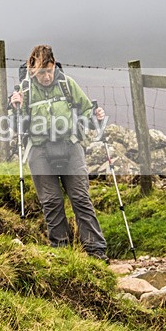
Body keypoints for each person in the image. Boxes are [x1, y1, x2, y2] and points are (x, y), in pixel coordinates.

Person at [10, 44, 109, 262]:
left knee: (80, 198)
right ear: (32, 69)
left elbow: (86, 110)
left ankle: (96, 251)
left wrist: (96, 116)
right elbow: (14, 126)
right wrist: (15, 107)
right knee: (51, 201)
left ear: (54, 66)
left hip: (71, 145)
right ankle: (62, 252)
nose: (46, 76)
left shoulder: (67, 84)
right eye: (41, 72)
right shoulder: (24, 90)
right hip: (39, 149)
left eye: (49, 70)